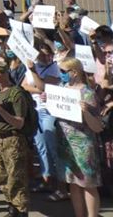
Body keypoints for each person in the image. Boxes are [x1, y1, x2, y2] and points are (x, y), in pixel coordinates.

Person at [55, 57, 103, 217]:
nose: (60, 74)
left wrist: (85, 112)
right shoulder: (61, 88)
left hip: (83, 145)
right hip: (66, 143)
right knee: (73, 184)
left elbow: (97, 127)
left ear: (74, 72)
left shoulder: (87, 93)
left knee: (88, 184)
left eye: (63, 71)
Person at [0, 61, 32, 217]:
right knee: (3, 176)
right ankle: (11, 207)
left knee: (16, 177)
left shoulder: (16, 94)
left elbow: (19, 122)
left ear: (0, 75)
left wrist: (1, 111)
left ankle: (21, 210)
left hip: (12, 139)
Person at [23, 42, 64, 200]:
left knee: (53, 147)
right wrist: (38, 87)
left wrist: (34, 73)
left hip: (49, 111)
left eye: (48, 54)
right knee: (40, 147)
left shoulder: (54, 68)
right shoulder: (31, 68)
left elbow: (42, 86)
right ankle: (47, 180)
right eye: (42, 54)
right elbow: (25, 86)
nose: (46, 57)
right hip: (36, 111)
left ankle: (61, 187)